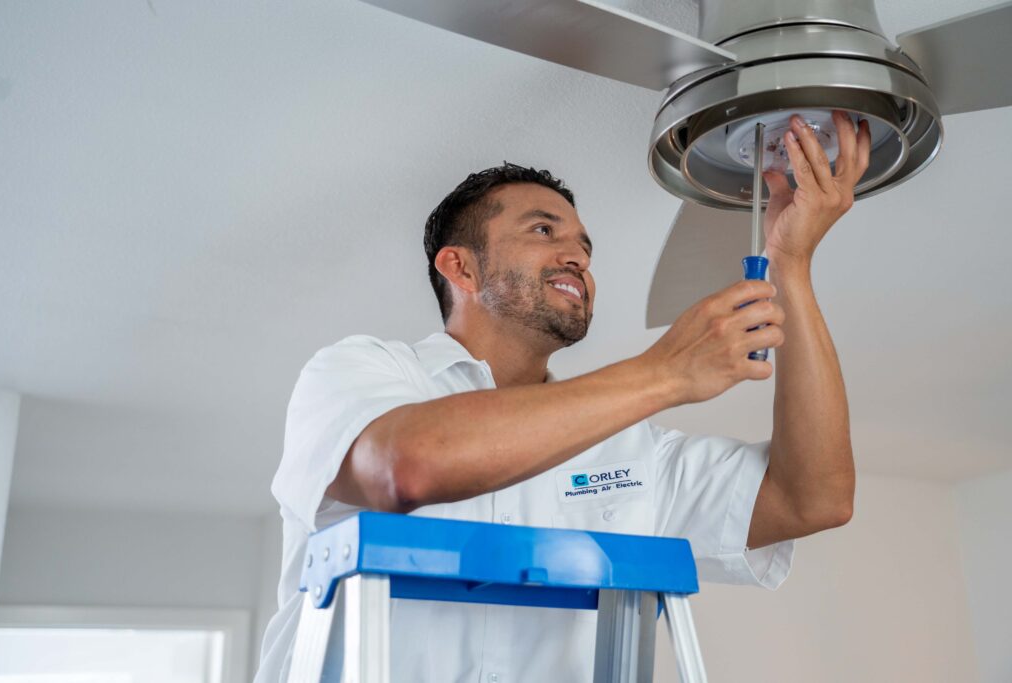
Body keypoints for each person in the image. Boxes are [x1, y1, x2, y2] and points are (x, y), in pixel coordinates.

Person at [255, 111, 870, 682]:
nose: (576, 255)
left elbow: (814, 497)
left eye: (584, 246)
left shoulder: (632, 451)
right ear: (461, 269)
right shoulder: (360, 372)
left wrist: (790, 262)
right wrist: (667, 372)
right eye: (543, 231)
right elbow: (404, 466)